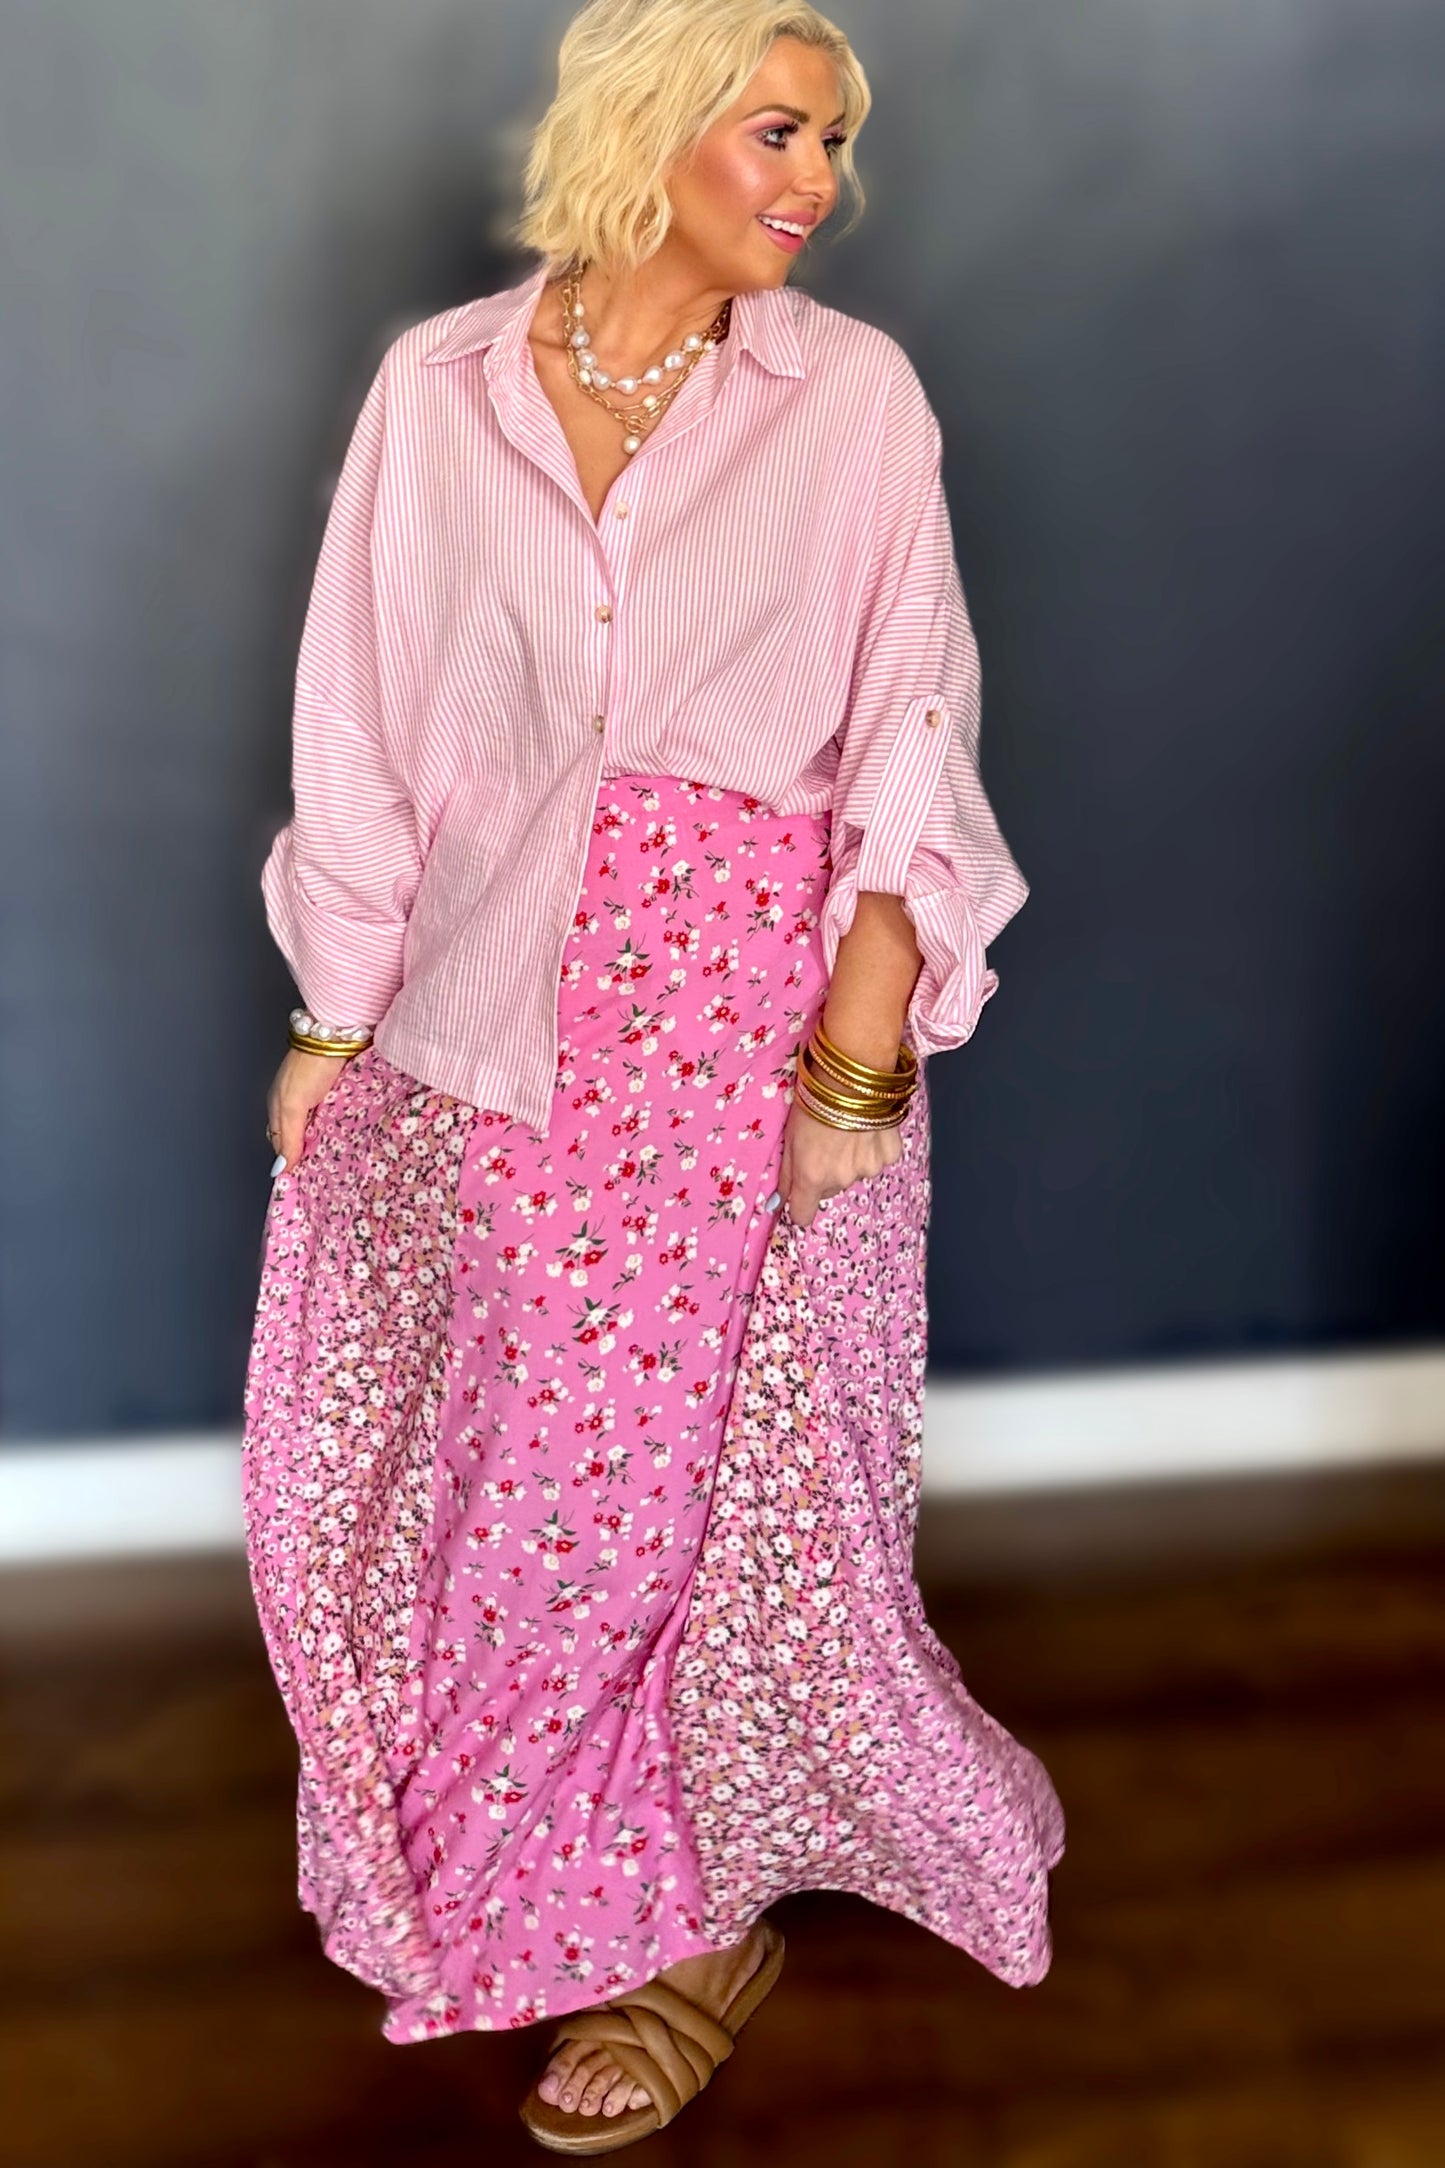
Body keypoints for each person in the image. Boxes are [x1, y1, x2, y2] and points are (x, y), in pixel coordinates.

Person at [242, 0, 1065, 2152]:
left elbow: (912, 727)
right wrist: (333, 1016)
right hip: (487, 1006)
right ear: (655, 122)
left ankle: (685, 1928)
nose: (814, 180)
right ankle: (539, 1882)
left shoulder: (855, 401)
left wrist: (857, 1070)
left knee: (707, 1492)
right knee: (499, 1485)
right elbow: (369, 720)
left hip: (748, 1017)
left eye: (833, 142)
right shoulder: (438, 394)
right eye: (778, 127)